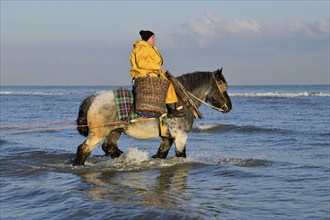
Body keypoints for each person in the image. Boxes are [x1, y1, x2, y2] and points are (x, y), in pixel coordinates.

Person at [130, 30, 185, 118]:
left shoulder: (149, 47)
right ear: (147, 38)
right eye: (152, 37)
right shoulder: (142, 48)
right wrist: (157, 67)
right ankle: (171, 110)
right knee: (168, 85)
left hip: (152, 72)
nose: (154, 39)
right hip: (145, 73)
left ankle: (171, 107)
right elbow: (141, 63)